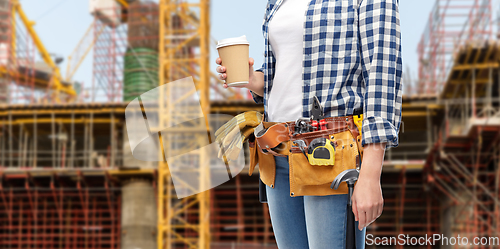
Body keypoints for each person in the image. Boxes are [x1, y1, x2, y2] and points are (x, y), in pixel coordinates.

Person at [216, 0, 402, 248]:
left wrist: (370, 174)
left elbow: (383, 76)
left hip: (330, 154)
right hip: (278, 154)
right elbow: (282, 76)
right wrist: (252, 80)